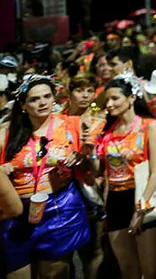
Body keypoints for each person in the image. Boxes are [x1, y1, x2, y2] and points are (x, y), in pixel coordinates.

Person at [0, 75, 91, 279]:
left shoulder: (72, 125)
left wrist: (81, 157)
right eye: (34, 99)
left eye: (47, 96)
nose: (42, 103)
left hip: (60, 209)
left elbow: (90, 167)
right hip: (17, 212)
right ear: (23, 105)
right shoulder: (7, 133)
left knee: (54, 275)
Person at [92, 73, 156, 279]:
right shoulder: (106, 131)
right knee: (127, 268)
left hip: (143, 198)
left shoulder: (149, 126)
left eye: (115, 98)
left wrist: (141, 208)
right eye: (107, 99)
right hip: (116, 200)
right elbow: (98, 170)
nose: (109, 104)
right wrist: (90, 150)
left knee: (150, 270)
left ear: (132, 98)